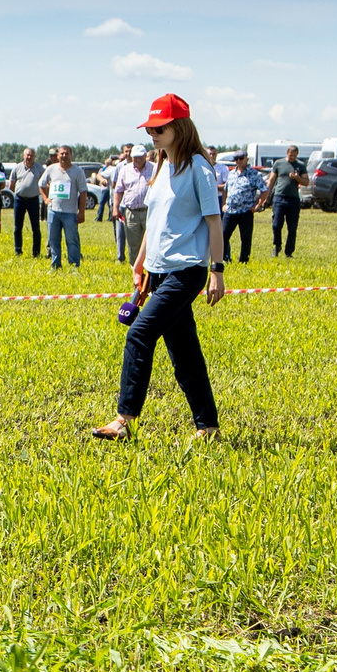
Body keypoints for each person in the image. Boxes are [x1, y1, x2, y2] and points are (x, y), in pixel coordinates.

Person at [94, 95, 224, 442]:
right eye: (149, 129)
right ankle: (208, 427)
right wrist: (141, 262)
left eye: (159, 128)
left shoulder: (199, 168)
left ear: (179, 128)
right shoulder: (162, 165)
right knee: (185, 353)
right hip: (159, 270)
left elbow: (214, 222)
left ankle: (124, 420)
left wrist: (217, 271)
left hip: (186, 272)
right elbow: (156, 221)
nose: (152, 134)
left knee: (139, 333)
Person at [45, 144, 88, 270]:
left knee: (72, 241)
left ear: (71, 155)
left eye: (67, 153)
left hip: (70, 213)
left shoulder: (78, 171)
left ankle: (74, 266)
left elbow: (83, 192)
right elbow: (41, 184)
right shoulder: (51, 169)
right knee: (54, 240)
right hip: (53, 211)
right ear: (58, 155)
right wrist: (46, 199)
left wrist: (81, 212)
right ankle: (55, 266)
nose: (64, 156)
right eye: (62, 153)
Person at [110, 144, 152, 264]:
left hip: (149, 211)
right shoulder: (125, 170)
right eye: (135, 157)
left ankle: (149, 269)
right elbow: (118, 190)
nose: (138, 159)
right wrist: (115, 208)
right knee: (133, 243)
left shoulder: (154, 168)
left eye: (140, 157)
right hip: (131, 212)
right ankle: (135, 268)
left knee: (151, 242)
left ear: (145, 156)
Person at [221, 151, 262, 262]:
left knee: (245, 237)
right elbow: (225, 189)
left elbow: (264, 190)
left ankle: (244, 260)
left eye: (241, 158)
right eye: (236, 159)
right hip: (230, 210)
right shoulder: (231, 173)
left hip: (246, 211)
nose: (238, 161)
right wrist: (224, 204)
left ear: (246, 159)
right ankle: (222, 258)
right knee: (223, 235)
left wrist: (258, 205)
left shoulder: (255, 174)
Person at [268, 145, 307, 258]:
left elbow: (306, 182)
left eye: (294, 156)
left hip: (293, 199)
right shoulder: (278, 163)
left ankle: (289, 252)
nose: (292, 157)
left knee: (292, 227)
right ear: (287, 153)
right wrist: (266, 195)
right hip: (279, 197)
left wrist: (297, 178)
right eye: (291, 155)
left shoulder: (301, 165)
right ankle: (277, 246)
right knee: (276, 225)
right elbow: (271, 180)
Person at [9, 146, 45, 258]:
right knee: (17, 227)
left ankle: (36, 252)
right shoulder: (17, 168)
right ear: (23, 156)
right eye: (27, 155)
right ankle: (18, 250)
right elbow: (11, 185)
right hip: (19, 200)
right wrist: (20, 191)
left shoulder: (39, 169)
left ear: (35, 157)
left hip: (33, 200)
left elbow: (45, 183)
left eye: (31, 155)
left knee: (36, 228)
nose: (29, 157)